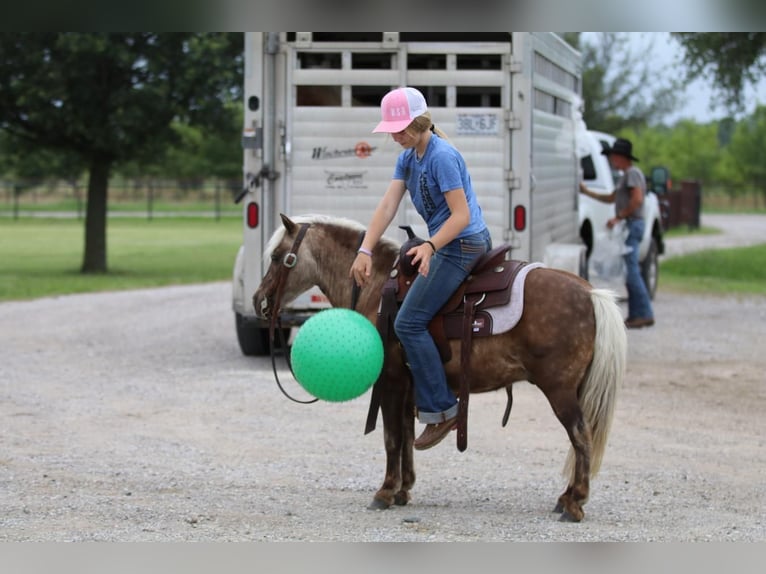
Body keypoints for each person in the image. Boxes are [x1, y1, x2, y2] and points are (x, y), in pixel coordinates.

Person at [349, 87, 492, 450]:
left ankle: (443, 408)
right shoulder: (410, 157)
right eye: (392, 130)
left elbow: (461, 217)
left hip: (463, 243)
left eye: (399, 129)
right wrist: (365, 249)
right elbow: (387, 206)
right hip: (447, 242)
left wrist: (430, 246)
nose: (394, 136)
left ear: (418, 123)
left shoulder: (442, 157)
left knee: (407, 322)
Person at [579, 137, 655, 329]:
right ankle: (637, 314)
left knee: (632, 272)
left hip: (632, 225)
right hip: (629, 224)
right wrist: (587, 192)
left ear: (621, 157)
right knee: (630, 271)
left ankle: (644, 312)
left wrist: (619, 217)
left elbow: (636, 199)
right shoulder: (625, 177)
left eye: (613, 157)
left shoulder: (632, 174)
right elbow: (611, 198)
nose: (612, 160)